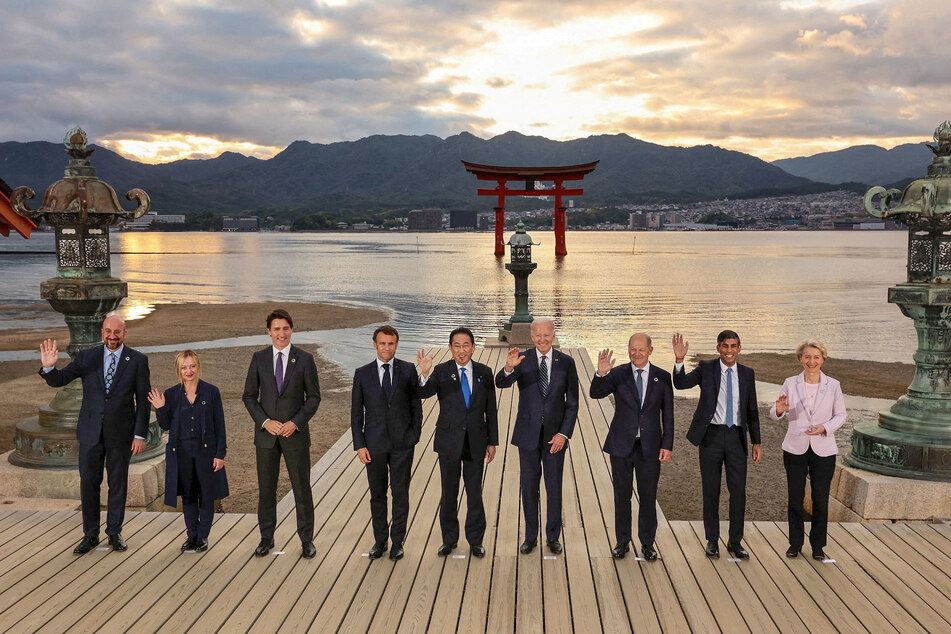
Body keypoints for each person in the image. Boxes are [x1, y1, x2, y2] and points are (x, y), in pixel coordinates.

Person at [38, 315, 150, 555]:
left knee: (117, 484)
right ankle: (90, 535)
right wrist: (49, 367)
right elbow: (60, 379)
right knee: (89, 484)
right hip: (90, 433)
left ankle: (114, 533)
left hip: (121, 434)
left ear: (124, 333)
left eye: (117, 332)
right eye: (108, 331)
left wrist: (140, 435)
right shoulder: (87, 357)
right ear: (102, 332)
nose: (112, 336)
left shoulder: (138, 361)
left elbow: (143, 402)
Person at [672, 330, 761, 559]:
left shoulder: (747, 374)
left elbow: (751, 410)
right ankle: (712, 541)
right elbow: (681, 384)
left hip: (736, 438)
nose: (729, 350)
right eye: (725, 346)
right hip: (710, 436)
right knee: (711, 492)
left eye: (733, 346)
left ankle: (735, 542)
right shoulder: (706, 368)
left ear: (739, 348)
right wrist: (680, 360)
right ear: (718, 348)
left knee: (738, 492)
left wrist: (756, 441)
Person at [495, 318, 578, 555]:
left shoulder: (567, 363)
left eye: (547, 335)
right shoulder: (522, 359)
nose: (542, 339)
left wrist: (564, 434)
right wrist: (509, 368)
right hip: (527, 435)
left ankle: (553, 537)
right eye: (538, 335)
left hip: (555, 438)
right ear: (532, 337)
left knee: (554, 487)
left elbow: (572, 404)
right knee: (529, 487)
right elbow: (501, 383)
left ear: (553, 335)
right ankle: (530, 536)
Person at [243, 308, 321, 559]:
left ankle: (307, 540)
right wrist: (265, 422)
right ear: (269, 331)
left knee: (302, 489)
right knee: (266, 490)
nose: (281, 333)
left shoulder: (305, 359)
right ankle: (266, 539)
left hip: (294, 435)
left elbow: (314, 398)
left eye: (285, 328)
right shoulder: (258, 358)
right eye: (276, 329)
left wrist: (295, 423)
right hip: (266, 437)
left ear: (291, 330)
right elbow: (248, 397)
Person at [590, 333, 673, 561]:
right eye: (632, 349)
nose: (636, 353)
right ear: (628, 350)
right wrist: (601, 373)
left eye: (641, 349)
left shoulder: (662, 377)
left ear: (650, 350)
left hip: (650, 448)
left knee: (648, 497)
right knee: (622, 496)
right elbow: (595, 393)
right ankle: (622, 542)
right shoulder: (618, 374)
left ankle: (647, 544)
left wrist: (667, 444)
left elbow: (668, 415)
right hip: (621, 446)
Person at [416, 327, 498, 558]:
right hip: (449, 441)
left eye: (466, 345)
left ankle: (475, 541)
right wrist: (424, 374)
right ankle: (449, 539)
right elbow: (424, 393)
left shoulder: (484, 372)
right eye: (457, 346)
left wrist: (492, 442)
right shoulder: (441, 371)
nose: (462, 350)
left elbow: (490, 409)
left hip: (476, 441)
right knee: (449, 492)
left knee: (474, 493)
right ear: (450, 348)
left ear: (473, 347)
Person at [769, 341, 846, 561]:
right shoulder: (790, 383)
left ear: (823, 359)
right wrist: (779, 410)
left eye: (816, 357)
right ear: (800, 359)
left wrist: (824, 427)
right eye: (807, 357)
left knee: (821, 500)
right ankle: (795, 544)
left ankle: (818, 546)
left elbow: (841, 415)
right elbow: (775, 413)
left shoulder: (833, 385)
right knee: (795, 498)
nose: (811, 361)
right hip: (795, 447)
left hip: (824, 448)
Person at [351, 325, 422, 561]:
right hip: (374, 445)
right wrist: (360, 445)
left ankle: (398, 542)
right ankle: (380, 541)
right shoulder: (362, 373)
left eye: (391, 343)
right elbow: (356, 414)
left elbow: (415, 406)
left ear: (396, 344)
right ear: (375, 345)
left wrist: (414, 436)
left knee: (400, 493)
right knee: (377, 495)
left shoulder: (408, 370)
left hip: (403, 444)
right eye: (382, 343)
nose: (387, 348)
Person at [148, 350, 229, 552]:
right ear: (178, 370)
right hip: (181, 453)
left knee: (207, 495)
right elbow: (165, 425)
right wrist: (160, 408)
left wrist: (220, 454)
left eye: (192, 366)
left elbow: (220, 425)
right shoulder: (172, 394)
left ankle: (202, 536)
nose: (189, 370)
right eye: (184, 367)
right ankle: (191, 535)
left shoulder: (211, 392)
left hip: (206, 453)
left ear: (198, 366)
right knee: (189, 496)